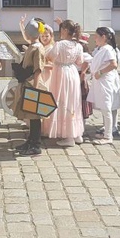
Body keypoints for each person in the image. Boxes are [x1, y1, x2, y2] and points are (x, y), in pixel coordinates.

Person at [42, 19, 85, 147]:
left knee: (62, 101)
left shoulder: (60, 44)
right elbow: (80, 61)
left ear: (65, 31)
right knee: (73, 102)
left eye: (61, 30)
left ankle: (68, 136)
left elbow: (50, 57)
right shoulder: (78, 45)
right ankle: (76, 134)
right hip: (72, 72)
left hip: (61, 72)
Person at [13, 17, 48, 156]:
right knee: (30, 116)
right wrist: (21, 25)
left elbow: (38, 69)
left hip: (33, 83)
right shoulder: (33, 46)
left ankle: (36, 144)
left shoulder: (38, 48)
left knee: (35, 116)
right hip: (27, 82)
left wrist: (35, 87)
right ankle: (31, 140)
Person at [89, 27, 120, 145]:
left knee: (106, 108)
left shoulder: (108, 49)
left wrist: (100, 72)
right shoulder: (102, 49)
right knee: (103, 107)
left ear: (103, 37)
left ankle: (108, 136)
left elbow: (113, 64)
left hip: (105, 81)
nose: (94, 39)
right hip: (100, 81)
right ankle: (106, 131)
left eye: (96, 36)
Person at [77, 33, 94, 120]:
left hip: (80, 79)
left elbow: (83, 72)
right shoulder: (85, 55)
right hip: (79, 78)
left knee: (81, 101)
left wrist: (79, 82)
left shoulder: (85, 56)